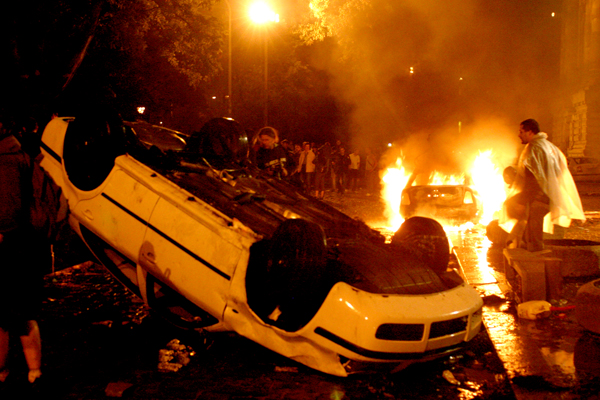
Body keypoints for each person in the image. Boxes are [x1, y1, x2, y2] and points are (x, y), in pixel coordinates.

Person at [0, 115, 43, 385]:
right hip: (22, 243)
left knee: (10, 313)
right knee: (20, 311)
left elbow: (7, 208)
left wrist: (3, 231)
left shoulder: (5, 158)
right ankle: (33, 372)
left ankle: (19, 372)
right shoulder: (19, 153)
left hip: (9, 244)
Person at [499, 119, 585, 252]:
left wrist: (522, 201)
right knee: (526, 224)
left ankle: (534, 257)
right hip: (548, 194)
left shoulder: (534, 148)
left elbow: (532, 178)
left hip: (539, 196)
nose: (519, 135)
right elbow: (561, 167)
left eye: (521, 132)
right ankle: (523, 248)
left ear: (530, 132)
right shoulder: (549, 146)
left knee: (532, 229)